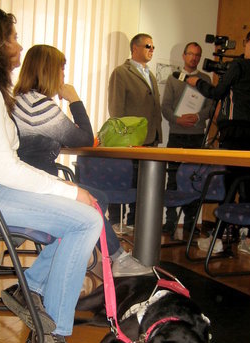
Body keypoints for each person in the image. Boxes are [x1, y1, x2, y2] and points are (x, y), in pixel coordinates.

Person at [0, 6, 103, 343]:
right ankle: (50, 326)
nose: (18, 48)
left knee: (77, 220)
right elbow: (7, 169)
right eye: (13, 39)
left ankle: (30, 291)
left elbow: (4, 166)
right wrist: (71, 191)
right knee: (86, 219)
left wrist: (61, 192)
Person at [12, 44, 152, 277]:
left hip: (31, 181)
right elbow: (84, 138)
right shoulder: (39, 107)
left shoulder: (21, 100)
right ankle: (113, 259)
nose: (63, 77)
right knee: (95, 202)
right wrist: (75, 100)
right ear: (48, 71)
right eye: (61, 70)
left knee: (101, 199)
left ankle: (94, 254)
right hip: (36, 187)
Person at [186, 21, 250, 254]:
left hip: (234, 134)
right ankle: (249, 239)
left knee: (230, 183)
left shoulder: (240, 65)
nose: (245, 46)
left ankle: (220, 237)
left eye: (247, 42)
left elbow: (216, 93)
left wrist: (195, 82)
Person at [107, 33, 162, 227]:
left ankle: (135, 222)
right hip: (129, 139)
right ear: (135, 48)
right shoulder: (122, 72)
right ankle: (114, 221)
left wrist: (157, 134)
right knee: (122, 180)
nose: (151, 50)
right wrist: (123, 136)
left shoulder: (151, 75)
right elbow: (116, 108)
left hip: (149, 138)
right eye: (148, 46)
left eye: (153, 47)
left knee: (143, 183)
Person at [162, 42, 213, 236]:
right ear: (184, 56)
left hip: (197, 136)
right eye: (190, 54)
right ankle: (170, 221)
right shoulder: (173, 78)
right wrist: (178, 119)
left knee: (195, 179)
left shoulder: (205, 79)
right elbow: (165, 107)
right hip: (176, 134)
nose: (194, 58)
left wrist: (198, 117)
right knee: (173, 178)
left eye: (197, 55)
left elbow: (210, 106)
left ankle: (191, 222)